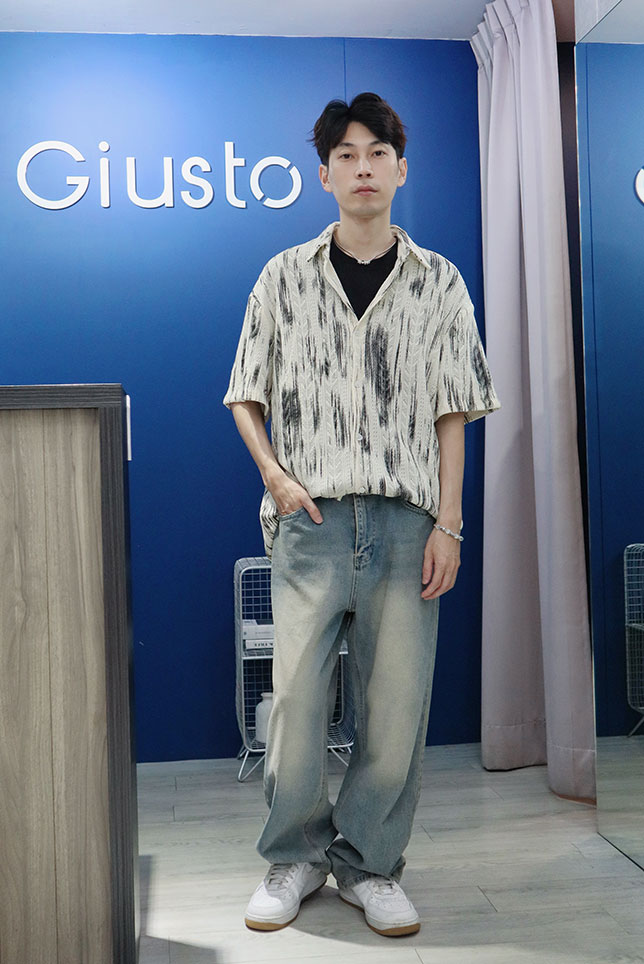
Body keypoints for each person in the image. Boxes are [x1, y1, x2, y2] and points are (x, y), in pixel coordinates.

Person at [223, 92, 500, 938]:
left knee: (394, 710)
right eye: (346, 155)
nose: (363, 167)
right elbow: (245, 392)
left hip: (407, 526)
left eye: (377, 153)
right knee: (296, 706)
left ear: (401, 169)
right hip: (309, 524)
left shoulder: (438, 281)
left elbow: (454, 409)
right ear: (325, 175)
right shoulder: (283, 276)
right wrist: (275, 477)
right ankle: (294, 857)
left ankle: (371, 865)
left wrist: (449, 522)